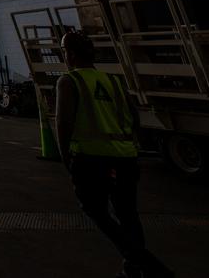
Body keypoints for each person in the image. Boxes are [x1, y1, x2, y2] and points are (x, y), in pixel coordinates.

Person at [54, 31, 172, 278]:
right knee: (128, 213)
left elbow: (63, 123)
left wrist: (65, 157)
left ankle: (144, 262)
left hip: (90, 158)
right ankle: (134, 268)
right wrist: (132, 148)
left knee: (95, 210)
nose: (64, 56)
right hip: (126, 157)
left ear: (71, 54)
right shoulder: (113, 81)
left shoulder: (69, 81)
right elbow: (135, 118)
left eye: (64, 51)